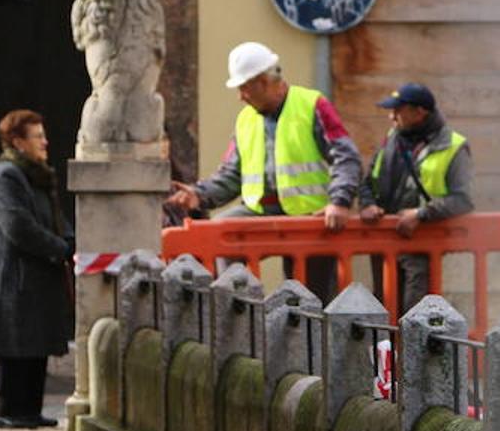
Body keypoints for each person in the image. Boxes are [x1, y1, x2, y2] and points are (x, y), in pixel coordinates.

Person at [166, 42, 362, 302]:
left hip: (310, 215)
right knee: (221, 233)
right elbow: (231, 175)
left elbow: (346, 156)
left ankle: (307, 322)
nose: (241, 96)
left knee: (311, 296)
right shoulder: (246, 120)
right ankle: (240, 313)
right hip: (260, 210)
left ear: (264, 82)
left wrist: (339, 202)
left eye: (244, 88)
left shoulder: (311, 105)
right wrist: (199, 195)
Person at [0, 110, 74, 429]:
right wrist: (60, 248)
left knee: (35, 344)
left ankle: (29, 410)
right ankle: (6, 410)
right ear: (18, 142)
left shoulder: (37, 175)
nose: (45, 142)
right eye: (37, 136)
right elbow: (18, 226)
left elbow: (55, 218)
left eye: (44, 135)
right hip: (12, 278)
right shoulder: (6, 176)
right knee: (14, 345)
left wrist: (70, 241)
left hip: (37, 277)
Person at [359, 83, 474, 313]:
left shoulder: (453, 146)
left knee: (415, 315)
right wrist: (367, 204)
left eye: (398, 110)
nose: (391, 117)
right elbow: (368, 181)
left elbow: (462, 200)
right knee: (384, 314)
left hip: (422, 246)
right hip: (384, 244)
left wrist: (421, 214)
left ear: (419, 112)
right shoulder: (393, 137)